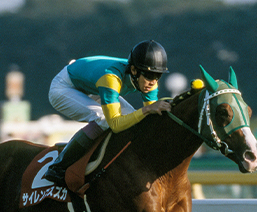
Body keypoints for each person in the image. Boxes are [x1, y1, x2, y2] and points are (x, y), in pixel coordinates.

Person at [45, 39, 172, 187]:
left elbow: (150, 117)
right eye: (150, 76)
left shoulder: (148, 79)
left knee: (133, 121)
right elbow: (116, 124)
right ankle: (58, 166)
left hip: (90, 84)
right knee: (103, 119)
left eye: (158, 75)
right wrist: (145, 110)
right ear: (134, 71)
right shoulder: (111, 79)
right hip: (63, 87)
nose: (153, 81)